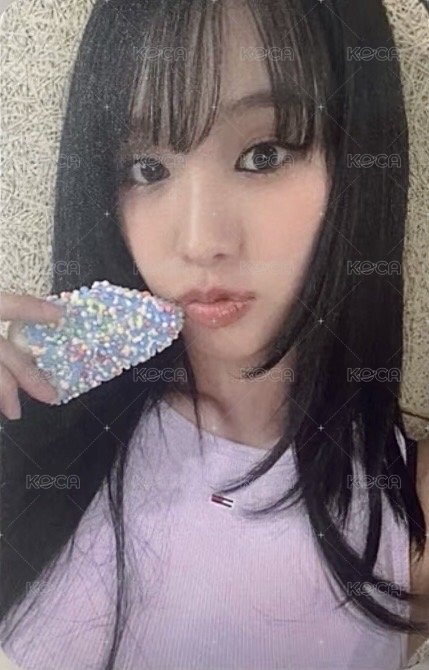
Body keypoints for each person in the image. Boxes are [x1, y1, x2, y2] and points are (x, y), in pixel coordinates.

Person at [0, 0, 428, 668]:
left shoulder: (407, 506)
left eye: (264, 154)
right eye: (147, 169)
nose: (200, 242)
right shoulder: (30, 429)